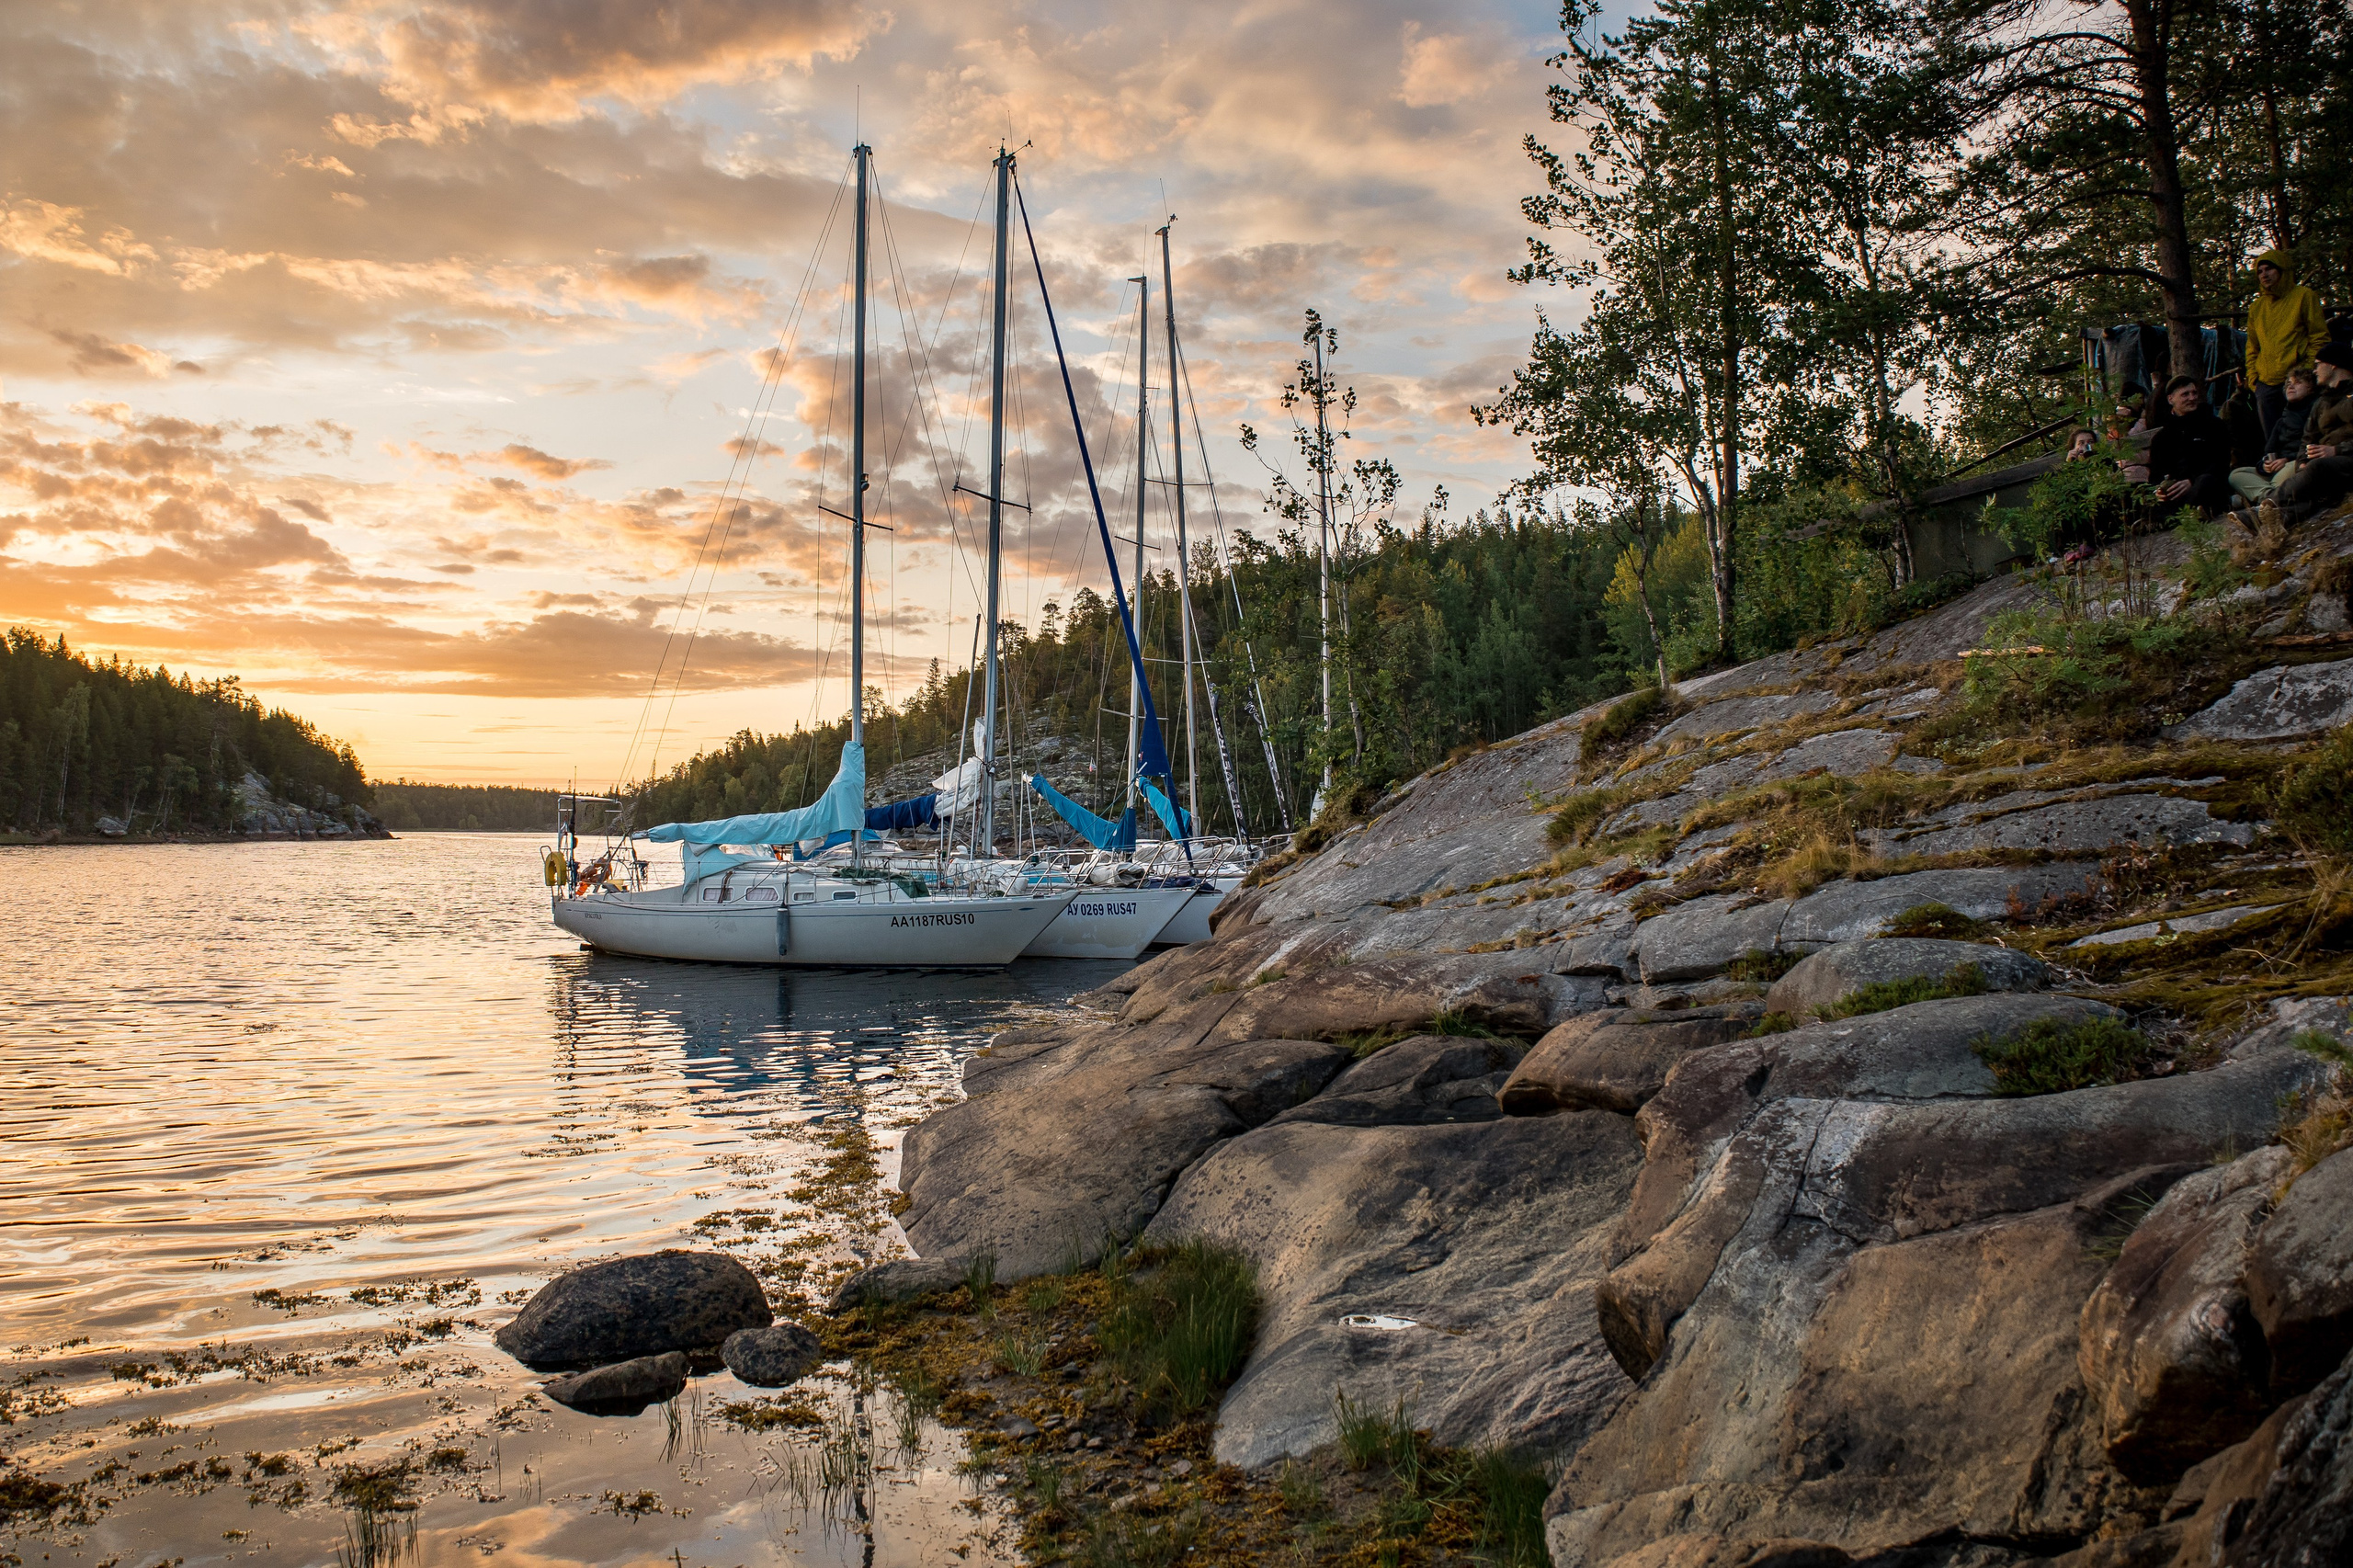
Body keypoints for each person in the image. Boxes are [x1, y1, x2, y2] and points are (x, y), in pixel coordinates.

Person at [2245, 247, 2326, 438]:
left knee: (2303, 434)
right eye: (2260, 271)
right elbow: (2252, 347)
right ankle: (2273, 466)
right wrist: (2254, 379)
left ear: (2282, 270)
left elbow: (2319, 336)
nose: (2264, 274)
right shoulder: (2257, 307)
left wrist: (2307, 372)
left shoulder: (2304, 296)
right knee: (2273, 438)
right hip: (2266, 383)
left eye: (2269, 269)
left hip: (2298, 378)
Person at [2270, 343, 2353, 524]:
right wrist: (2302, 463)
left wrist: (2337, 450)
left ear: (2333, 365)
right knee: (2314, 482)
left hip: (2347, 461)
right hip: (2327, 467)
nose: (2314, 371)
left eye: (2318, 364)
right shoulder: (2321, 401)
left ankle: (2268, 504)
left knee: (2318, 468)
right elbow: (2307, 439)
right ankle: (2274, 519)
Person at [2144, 374, 2234, 517]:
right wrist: (2159, 490)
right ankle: (2180, 515)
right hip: (2175, 493)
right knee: (2137, 495)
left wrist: (2191, 481)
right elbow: (2155, 475)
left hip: (2204, 486)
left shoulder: (2213, 425)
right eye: (2185, 394)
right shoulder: (2162, 438)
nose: (2192, 398)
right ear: (2170, 399)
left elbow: (2221, 463)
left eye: (2194, 393)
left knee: (2206, 482)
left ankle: (2173, 517)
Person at [2229, 366, 2317, 506]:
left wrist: (2287, 459)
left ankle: (2263, 500)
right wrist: (2265, 465)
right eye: (2288, 383)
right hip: (2276, 469)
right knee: (2236, 475)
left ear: (2311, 388)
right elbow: (2269, 450)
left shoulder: (2315, 411)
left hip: (2297, 464)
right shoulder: (2282, 419)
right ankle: (2268, 497)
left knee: (2285, 474)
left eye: (2298, 383)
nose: (2291, 386)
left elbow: (2312, 444)